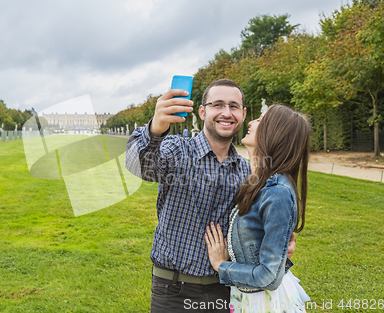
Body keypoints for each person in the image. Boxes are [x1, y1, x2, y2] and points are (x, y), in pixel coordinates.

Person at [125, 79, 295, 312]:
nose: (226, 113)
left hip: (225, 290)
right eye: (218, 105)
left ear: (243, 114)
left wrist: (276, 242)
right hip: (173, 290)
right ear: (203, 111)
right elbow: (138, 165)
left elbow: (254, 231)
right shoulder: (177, 150)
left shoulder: (248, 172)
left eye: (234, 106)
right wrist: (156, 128)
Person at [205, 105, 311, 312]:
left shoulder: (277, 191)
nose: (251, 122)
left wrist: (221, 266)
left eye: (261, 120)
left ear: (275, 134)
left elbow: (269, 276)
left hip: (265, 301)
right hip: (249, 296)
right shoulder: (259, 182)